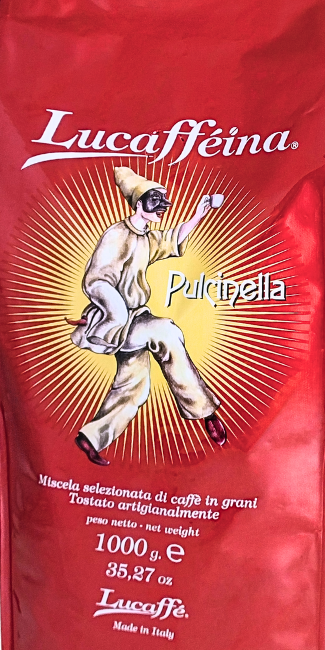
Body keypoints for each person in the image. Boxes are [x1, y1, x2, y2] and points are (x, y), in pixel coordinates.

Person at [69, 166, 226, 465]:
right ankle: (206, 412)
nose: (162, 209)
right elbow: (96, 280)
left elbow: (170, 240)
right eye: (154, 202)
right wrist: (115, 312)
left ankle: (91, 437)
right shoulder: (116, 235)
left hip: (136, 318)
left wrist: (199, 215)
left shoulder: (146, 238)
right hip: (118, 322)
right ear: (138, 203)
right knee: (167, 332)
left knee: (134, 386)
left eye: (162, 203)